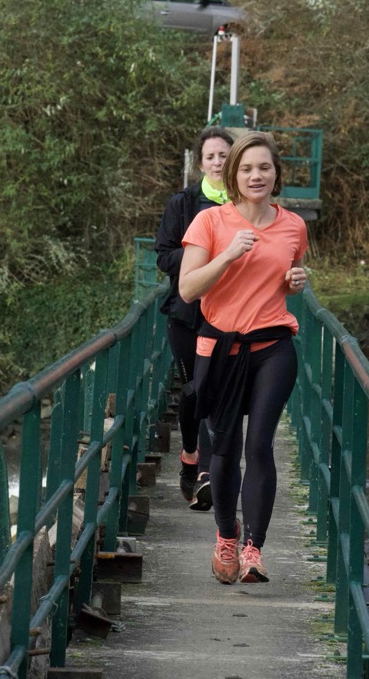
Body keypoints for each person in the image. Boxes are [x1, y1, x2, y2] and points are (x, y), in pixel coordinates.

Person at [179, 131, 309, 585]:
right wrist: (229, 255)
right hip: (220, 350)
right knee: (226, 446)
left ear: (276, 174)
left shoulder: (293, 225)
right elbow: (188, 289)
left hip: (273, 346)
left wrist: (295, 282)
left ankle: (254, 550)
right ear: (233, 174)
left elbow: (285, 275)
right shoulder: (210, 222)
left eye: (265, 167)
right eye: (247, 168)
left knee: (259, 446)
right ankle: (226, 537)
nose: (257, 176)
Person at [155, 126, 234, 511]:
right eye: (211, 157)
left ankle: (205, 474)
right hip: (187, 314)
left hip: (232, 314)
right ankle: (190, 455)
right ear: (200, 164)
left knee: (214, 391)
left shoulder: (247, 204)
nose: (218, 162)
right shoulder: (182, 204)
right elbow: (163, 256)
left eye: (224, 156)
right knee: (193, 393)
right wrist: (204, 255)